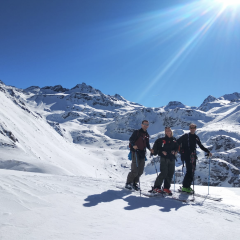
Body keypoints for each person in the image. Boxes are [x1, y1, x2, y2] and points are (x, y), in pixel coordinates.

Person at [177, 123, 212, 193]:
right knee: (189, 171)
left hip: (193, 155)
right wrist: (179, 151)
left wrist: (207, 151)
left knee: (192, 171)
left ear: (195, 129)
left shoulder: (196, 137)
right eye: (191, 127)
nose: (192, 129)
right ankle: (185, 187)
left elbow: (200, 146)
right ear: (189, 128)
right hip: (187, 155)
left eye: (194, 128)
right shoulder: (185, 136)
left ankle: (187, 186)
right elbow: (177, 142)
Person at [125, 120, 153, 190]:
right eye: (144, 124)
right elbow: (131, 139)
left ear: (148, 126)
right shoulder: (137, 132)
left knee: (140, 171)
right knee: (135, 170)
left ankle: (134, 183)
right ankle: (128, 183)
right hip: (136, 153)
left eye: (147, 124)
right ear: (141, 124)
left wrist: (150, 149)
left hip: (142, 153)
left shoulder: (146, 134)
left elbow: (147, 143)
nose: (145, 125)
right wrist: (134, 145)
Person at [151, 127, 178, 195]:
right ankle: (156, 187)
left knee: (170, 173)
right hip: (164, 158)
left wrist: (175, 151)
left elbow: (177, 148)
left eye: (169, 130)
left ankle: (166, 188)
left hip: (172, 158)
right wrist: (162, 151)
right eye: (166, 131)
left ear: (171, 131)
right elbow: (156, 150)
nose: (168, 132)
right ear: (165, 132)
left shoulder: (174, 140)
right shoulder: (161, 140)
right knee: (164, 172)